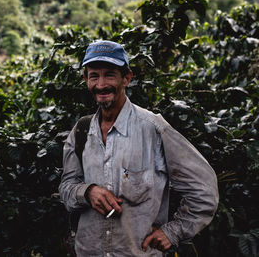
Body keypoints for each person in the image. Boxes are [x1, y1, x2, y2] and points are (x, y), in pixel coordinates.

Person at [58, 40, 219, 256]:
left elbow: (204, 190)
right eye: (94, 75)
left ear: (127, 78)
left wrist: (172, 232)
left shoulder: (153, 129)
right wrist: (87, 192)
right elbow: (66, 187)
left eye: (110, 75)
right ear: (86, 79)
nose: (101, 84)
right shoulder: (81, 131)